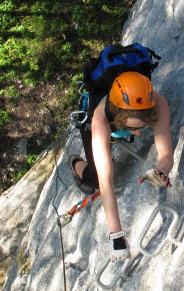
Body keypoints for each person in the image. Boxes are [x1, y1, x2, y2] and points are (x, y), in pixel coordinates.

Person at [68, 71, 173, 260]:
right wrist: (117, 237)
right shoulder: (100, 119)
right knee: (94, 180)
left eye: (143, 126)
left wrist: (161, 171)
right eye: (133, 128)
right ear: (118, 118)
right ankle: (74, 163)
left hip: (117, 120)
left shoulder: (158, 103)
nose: (139, 135)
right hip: (94, 118)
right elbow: (105, 182)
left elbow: (166, 155)